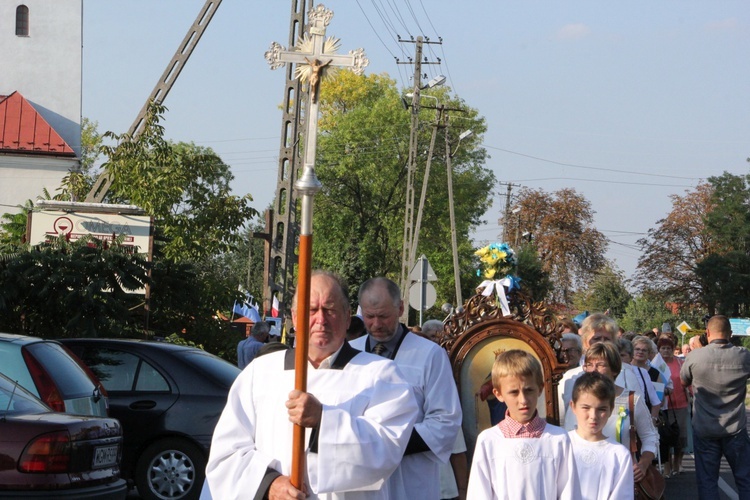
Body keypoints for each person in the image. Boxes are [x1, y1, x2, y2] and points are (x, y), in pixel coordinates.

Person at [204, 271, 420, 499]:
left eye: (330, 309)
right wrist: (269, 483)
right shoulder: (260, 373)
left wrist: (324, 420)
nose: (321, 320)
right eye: (311, 310)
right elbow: (227, 453)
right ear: (295, 318)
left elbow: (387, 449)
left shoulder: (381, 375)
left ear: (347, 317)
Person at [351, 277, 462, 500]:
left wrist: (390, 443)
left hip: (411, 479)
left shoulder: (430, 355)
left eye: (383, 316)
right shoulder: (350, 352)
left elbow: (446, 420)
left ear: (400, 308)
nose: (376, 324)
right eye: (369, 317)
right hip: (360, 482)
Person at [467, 350, 578, 499]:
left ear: (540, 388)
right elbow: (479, 492)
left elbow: (569, 492)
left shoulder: (557, 438)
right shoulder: (489, 440)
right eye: (514, 392)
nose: (523, 400)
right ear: (498, 394)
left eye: (529, 390)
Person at [563, 342, 658, 484]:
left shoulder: (632, 399)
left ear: (614, 369)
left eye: (600, 365)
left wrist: (643, 464)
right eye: (589, 365)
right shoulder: (579, 400)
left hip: (621, 476)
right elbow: (569, 437)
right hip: (585, 476)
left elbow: (650, 436)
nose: (593, 370)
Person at [681, 315, 750, 499]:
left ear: (707, 332)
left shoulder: (695, 356)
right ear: (731, 334)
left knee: (707, 481)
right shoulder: (743, 355)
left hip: (705, 428)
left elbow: (683, 380)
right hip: (735, 427)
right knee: (745, 479)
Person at [557, 313, 643, 422]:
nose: (601, 342)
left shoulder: (627, 373)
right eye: (596, 338)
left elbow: (640, 414)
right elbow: (561, 418)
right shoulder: (571, 377)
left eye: (606, 339)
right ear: (585, 342)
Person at [568, 372, 634, 499]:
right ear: (573, 406)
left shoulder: (619, 454)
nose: (593, 416)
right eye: (586, 408)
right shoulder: (562, 445)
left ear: (611, 409)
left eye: (601, 409)